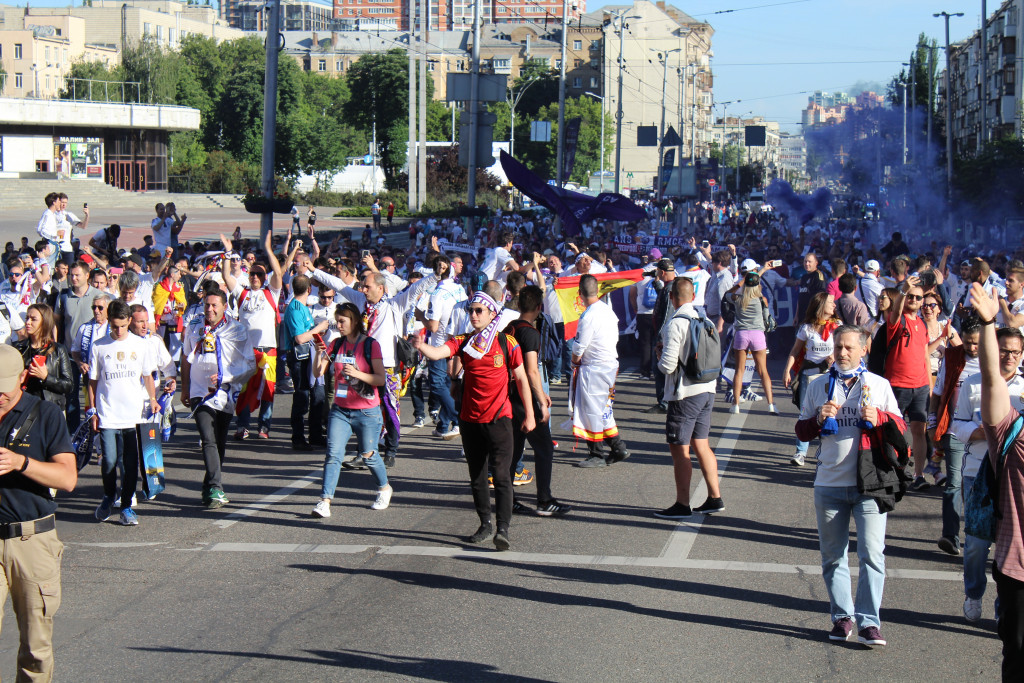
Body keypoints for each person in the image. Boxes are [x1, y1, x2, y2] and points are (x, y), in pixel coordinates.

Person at [795, 324, 904, 648]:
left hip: (869, 484)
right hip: (829, 484)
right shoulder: (818, 386)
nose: (842, 353)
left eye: (848, 348)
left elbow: (903, 432)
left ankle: (870, 622)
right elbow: (801, 432)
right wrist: (818, 419)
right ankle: (842, 617)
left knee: (872, 554)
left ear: (863, 349)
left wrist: (881, 417)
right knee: (832, 557)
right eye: (838, 347)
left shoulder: (878, 385)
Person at [413, 288, 535, 551]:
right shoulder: (465, 341)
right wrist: (421, 346)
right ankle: (485, 524)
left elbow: (522, 379)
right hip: (470, 420)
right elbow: (439, 353)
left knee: (502, 477)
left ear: (492, 314)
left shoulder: (507, 343)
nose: (474, 314)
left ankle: (502, 530)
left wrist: (531, 415)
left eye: (479, 310)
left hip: (500, 419)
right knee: (477, 476)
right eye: (471, 310)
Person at [0, 344, 77, 681]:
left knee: (35, 646)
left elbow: (67, 478)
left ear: (21, 378)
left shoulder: (45, 415)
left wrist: (22, 463)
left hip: (31, 539)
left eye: (3, 389)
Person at [968, 282, 1024, 678]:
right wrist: (989, 322)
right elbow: (991, 378)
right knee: (1018, 657)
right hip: (1018, 567)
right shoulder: (1012, 431)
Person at [311, 303, 391, 517]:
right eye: (337, 321)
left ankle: (384, 488)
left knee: (368, 455)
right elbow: (319, 372)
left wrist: (357, 374)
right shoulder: (336, 344)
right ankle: (324, 501)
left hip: (367, 411)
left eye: (342, 321)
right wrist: (318, 355)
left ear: (354, 321)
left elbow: (380, 378)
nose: (338, 325)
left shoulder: (370, 345)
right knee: (333, 455)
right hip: (340, 410)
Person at [654, 277, 725, 518]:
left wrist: (659, 355)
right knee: (702, 445)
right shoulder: (703, 318)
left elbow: (667, 366)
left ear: (672, 298)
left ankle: (682, 504)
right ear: (692, 296)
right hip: (707, 387)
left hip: (685, 393)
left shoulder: (675, 323)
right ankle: (715, 497)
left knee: (680, 450)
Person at [181, 289, 255, 508]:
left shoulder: (237, 330)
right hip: (199, 392)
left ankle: (208, 486)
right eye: (207, 305)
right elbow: (186, 358)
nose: (210, 309)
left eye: (215, 305)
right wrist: (185, 388)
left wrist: (226, 376)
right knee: (207, 437)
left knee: (219, 441)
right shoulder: (194, 327)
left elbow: (249, 365)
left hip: (224, 393)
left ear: (224, 307)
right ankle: (216, 487)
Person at [88, 300, 159, 526]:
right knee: (109, 460)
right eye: (114, 326)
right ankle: (109, 495)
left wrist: (154, 399)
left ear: (129, 321)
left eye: (122, 325)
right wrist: (92, 410)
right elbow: (92, 381)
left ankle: (127, 506)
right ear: (109, 322)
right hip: (108, 414)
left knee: (130, 464)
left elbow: (147, 375)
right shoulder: (99, 346)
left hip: (133, 415)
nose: (118, 331)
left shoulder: (141, 344)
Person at [505, 285, 569, 516]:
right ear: (539, 308)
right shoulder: (529, 333)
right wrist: (541, 400)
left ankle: (508, 499)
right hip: (524, 399)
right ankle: (544, 500)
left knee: (513, 450)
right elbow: (532, 371)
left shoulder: (509, 328)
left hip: (509, 395)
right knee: (543, 449)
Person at [928, 319, 980, 558]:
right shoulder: (950, 358)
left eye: (977, 343)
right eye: (968, 343)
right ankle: (950, 536)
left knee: (979, 487)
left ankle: (977, 537)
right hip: (954, 430)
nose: (972, 348)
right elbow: (937, 395)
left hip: (985, 434)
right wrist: (932, 424)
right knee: (954, 484)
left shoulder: (996, 359)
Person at [572, 274, 631, 468]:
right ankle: (617, 447)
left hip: (594, 368)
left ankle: (596, 454)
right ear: (597, 291)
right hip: (609, 364)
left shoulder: (588, 316)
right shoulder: (607, 311)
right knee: (605, 409)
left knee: (591, 411)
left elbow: (579, 346)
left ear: (580, 294)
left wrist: (574, 362)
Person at [885, 275, 933, 490]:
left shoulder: (922, 324)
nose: (914, 300)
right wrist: (903, 291)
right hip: (898, 384)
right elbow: (895, 311)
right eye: (911, 296)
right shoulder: (897, 320)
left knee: (920, 431)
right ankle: (893, 472)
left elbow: (925, 355)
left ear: (923, 301)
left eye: (917, 297)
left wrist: (929, 385)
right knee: (894, 431)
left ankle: (919, 474)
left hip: (921, 385)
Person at [782, 292, 839, 466]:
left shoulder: (838, 327)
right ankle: (800, 453)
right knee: (806, 413)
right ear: (821, 305)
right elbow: (795, 351)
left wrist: (832, 357)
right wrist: (787, 371)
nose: (834, 305)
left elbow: (844, 350)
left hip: (830, 377)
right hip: (810, 376)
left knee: (830, 413)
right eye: (831, 302)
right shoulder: (807, 328)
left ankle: (826, 453)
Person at [280, 275, 330, 450]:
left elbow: (307, 333)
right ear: (309, 289)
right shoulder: (294, 308)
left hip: (311, 356)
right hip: (299, 358)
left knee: (319, 395)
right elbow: (300, 338)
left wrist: (317, 337)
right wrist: (318, 329)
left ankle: (316, 434)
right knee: (302, 397)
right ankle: (298, 438)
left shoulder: (303, 307)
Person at [54, 260, 103, 426]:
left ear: (87, 275)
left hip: (95, 356)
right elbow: (56, 323)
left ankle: (95, 429)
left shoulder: (99, 296)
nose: (73, 278)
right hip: (71, 355)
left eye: (77, 275)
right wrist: (55, 345)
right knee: (71, 395)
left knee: (96, 394)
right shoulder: (64, 296)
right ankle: (73, 433)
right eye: (71, 275)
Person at [13, 304, 74, 418]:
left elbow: (68, 385)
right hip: (25, 407)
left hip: (51, 408)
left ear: (44, 322)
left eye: (33, 319)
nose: (28, 322)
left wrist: (46, 377)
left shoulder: (58, 350)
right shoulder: (19, 348)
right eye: (27, 318)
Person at [728, 271, 775, 415]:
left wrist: (742, 281)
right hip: (757, 335)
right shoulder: (762, 299)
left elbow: (728, 293)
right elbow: (767, 317)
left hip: (741, 334)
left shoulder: (737, 298)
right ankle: (771, 405)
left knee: (739, 371)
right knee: (763, 371)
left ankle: (736, 404)